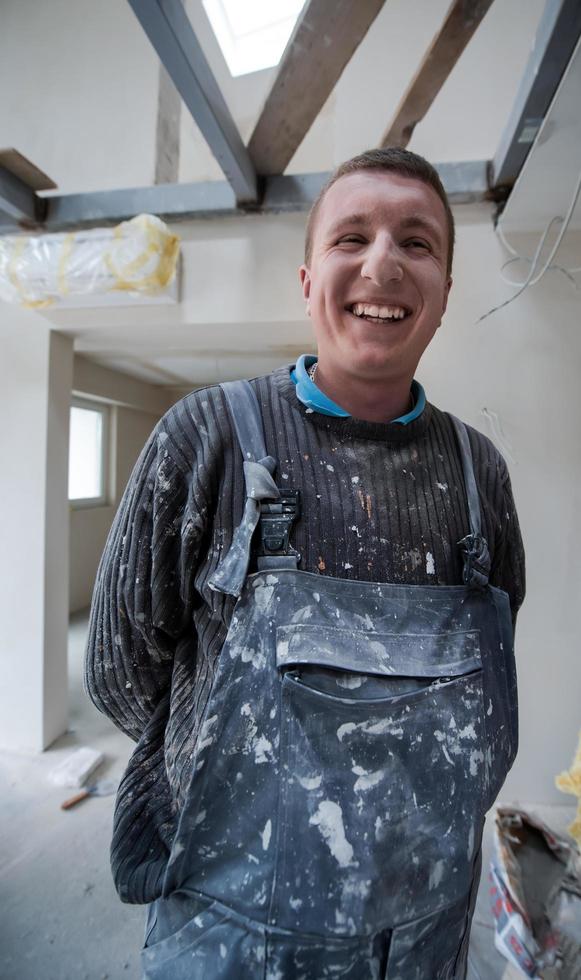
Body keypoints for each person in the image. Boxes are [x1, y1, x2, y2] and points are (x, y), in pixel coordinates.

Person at [86, 147, 525, 978]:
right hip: (235, 930)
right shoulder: (208, 437)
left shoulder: (478, 475)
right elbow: (119, 669)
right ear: (306, 279)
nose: (382, 263)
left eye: (418, 242)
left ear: (443, 297)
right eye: (350, 237)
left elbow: (486, 674)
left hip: (423, 933)